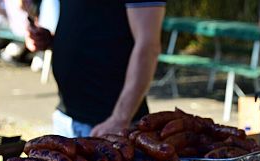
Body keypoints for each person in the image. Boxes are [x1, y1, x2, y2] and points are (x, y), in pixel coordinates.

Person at [25, 0, 166, 138]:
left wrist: (120, 119)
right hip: (66, 116)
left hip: (112, 126)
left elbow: (148, 46)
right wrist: (50, 40)